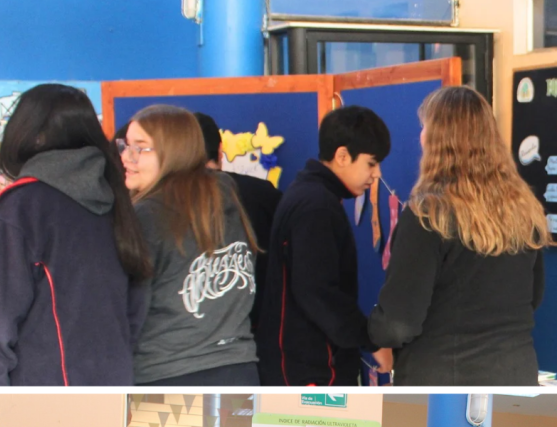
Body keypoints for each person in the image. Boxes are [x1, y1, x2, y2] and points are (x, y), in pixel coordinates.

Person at [0, 84, 151, 385]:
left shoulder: (20, 208)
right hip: (115, 384)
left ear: (28, 135)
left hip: (46, 397)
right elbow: (136, 304)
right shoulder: (119, 202)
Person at [368, 85, 548, 385]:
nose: (421, 136)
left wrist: (374, 329)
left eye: (425, 127)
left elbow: (398, 324)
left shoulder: (429, 215)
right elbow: (533, 297)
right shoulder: (525, 210)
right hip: (516, 375)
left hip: (443, 385)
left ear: (439, 140)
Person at [120, 104, 259, 385]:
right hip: (239, 370)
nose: (126, 157)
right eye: (125, 146)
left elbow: (129, 311)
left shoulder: (146, 214)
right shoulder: (224, 195)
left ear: (174, 151)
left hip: (168, 376)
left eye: (141, 148)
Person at [257, 105, 393, 386]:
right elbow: (317, 291)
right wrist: (371, 340)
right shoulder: (315, 206)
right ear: (342, 156)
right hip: (310, 369)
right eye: (371, 163)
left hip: (307, 364)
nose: (377, 174)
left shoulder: (311, 195)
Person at [194, 111, 283, 330]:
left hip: (197, 330)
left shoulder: (169, 202)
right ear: (221, 150)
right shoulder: (262, 193)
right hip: (262, 321)